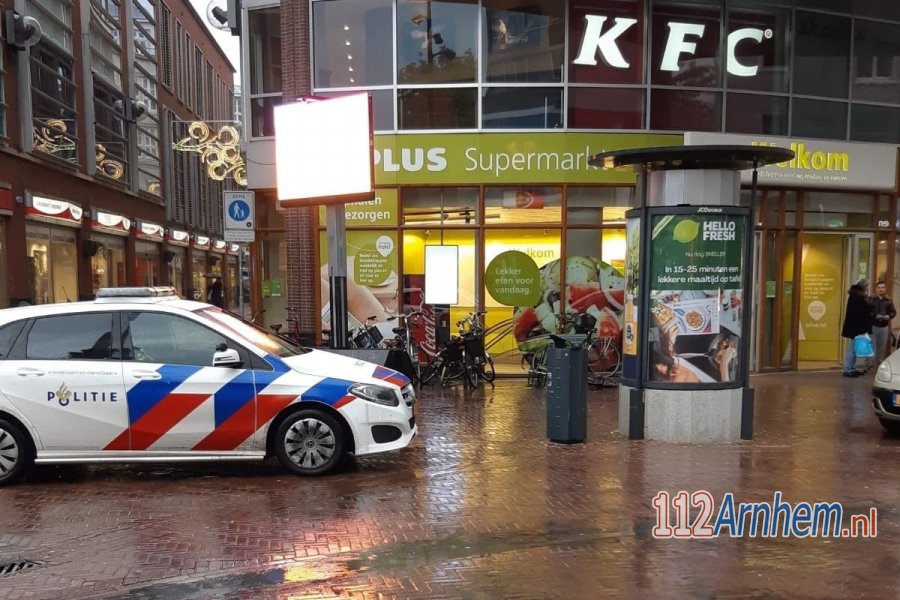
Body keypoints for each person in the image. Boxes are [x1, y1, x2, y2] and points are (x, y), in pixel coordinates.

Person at [841, 282, 872, 377]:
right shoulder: (857, 298)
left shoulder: (855, 297)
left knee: (854, 348)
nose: (867, 289)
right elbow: (860, 314)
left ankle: (851, 367)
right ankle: (848, 368)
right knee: (853, 349)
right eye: (866, 287)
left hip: (856, 328)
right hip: (857, 329)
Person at [869, 280, 896, 364]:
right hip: (873, 326)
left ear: (885, 289)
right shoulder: (871, 299)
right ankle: (869, 363)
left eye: (883, 287)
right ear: (876, 289)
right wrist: (875, 315)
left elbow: (893, 311)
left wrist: (889, 316)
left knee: (881, 346)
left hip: (884, 326)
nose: (881, 289)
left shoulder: (888, 300)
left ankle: (879, 362)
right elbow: (867, 311)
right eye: (879, 287)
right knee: (872, 346)